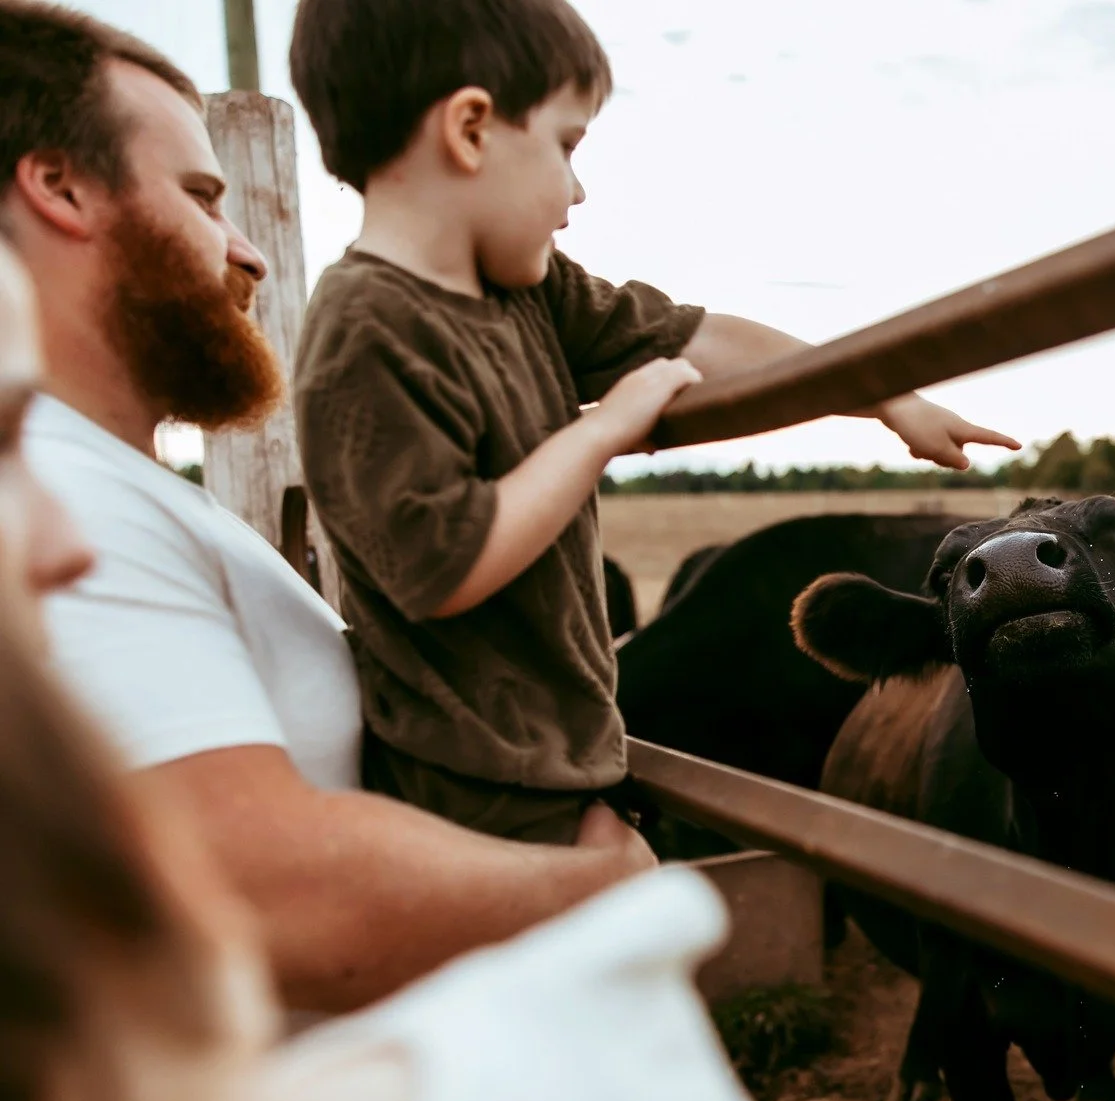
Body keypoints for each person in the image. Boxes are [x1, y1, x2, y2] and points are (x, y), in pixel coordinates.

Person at [0, 232, 911, 1101]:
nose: (236, 244)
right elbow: (268, 892)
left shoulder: (141, 489)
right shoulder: (276, 395)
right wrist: (600, 910)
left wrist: (891, 385)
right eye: (6, 439)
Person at [0, 2, 660, 1011]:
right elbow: (271, 902)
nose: (250, 254)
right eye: (201, 198)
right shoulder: (65, 507)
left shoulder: (120, 491)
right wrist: (602, 890)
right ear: (61, 188)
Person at [285, 0, 1019, 844]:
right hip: (466, 782)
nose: (579, 189)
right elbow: (443, 568)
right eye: (566, 146)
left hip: (554, 760)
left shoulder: (527, 290)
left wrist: (886, 393)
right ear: (471, 129)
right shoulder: (366, 332)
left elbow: (704, 339)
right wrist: (598, 435)